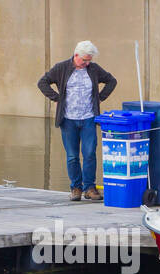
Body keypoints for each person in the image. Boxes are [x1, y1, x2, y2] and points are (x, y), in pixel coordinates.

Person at [38, 41, 117, 201]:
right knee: (72, 156)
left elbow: (111, 81)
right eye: (84, 60)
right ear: (76, 55)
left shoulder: (93, 69)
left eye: (89, 60)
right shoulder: (62, 68)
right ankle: (76, 188)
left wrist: (100, 98)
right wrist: (56, 98)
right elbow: (42, 83)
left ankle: (89, 188)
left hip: (88, 118)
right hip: (68, 120)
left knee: (89, 154)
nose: (87, 63)